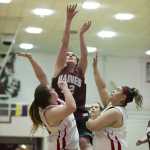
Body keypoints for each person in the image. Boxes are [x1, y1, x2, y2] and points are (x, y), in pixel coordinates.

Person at [16, 52, 80, 150]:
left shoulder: (51, 101)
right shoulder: (50, 113)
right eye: (52, 90)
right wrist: (65, 88)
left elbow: (41, 76)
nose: (54, 89)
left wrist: (31, 59)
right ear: (49, 97)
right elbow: (72, 107)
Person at [51, 4, 93, 150]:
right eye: (67, 54)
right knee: (64, 145)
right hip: (61, 111)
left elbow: (85, 55)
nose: (68, 56)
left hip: (79, 112)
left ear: (76, 60)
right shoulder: (59, 68)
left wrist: (81, 35)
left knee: (84, 143)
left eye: (72, 55)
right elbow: (64, 44)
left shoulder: (80, 71)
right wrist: (68, 20)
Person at [86, 52, 143, 150]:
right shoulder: (111, 104)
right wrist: (95, 68)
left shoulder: (115, 112)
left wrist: (85, 114)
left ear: (123, 97)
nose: (113, 90)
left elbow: (92, 126)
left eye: (117, 90)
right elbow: (102, 87)